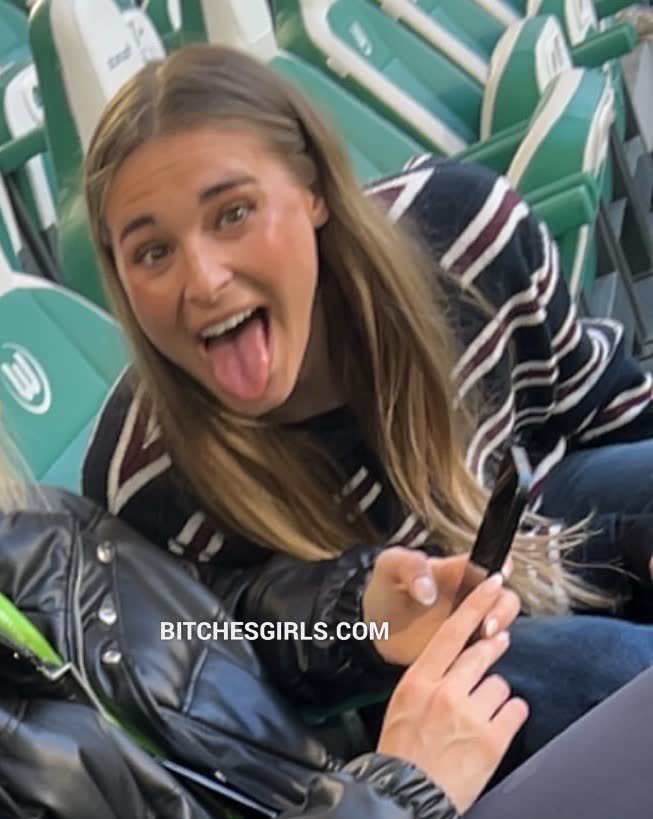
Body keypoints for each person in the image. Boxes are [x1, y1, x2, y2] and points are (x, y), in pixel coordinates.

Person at [81, 44, 653, 760]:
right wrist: (359, 620)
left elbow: (607, 415)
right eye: (152, 252)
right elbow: (210, 646)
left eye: (233, 213)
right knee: (613, 672)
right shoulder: (140, 477)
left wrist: (631, 544)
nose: (203, 280)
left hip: (530, 529)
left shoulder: (465, 231)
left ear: (313, 191)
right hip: (393, 700)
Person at [3, 425, 653, 819]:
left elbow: (205, 630)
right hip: (380, 791)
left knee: (605, 669)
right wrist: (399, 794)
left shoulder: (40, 524)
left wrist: (357, 620)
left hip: (342, 777)